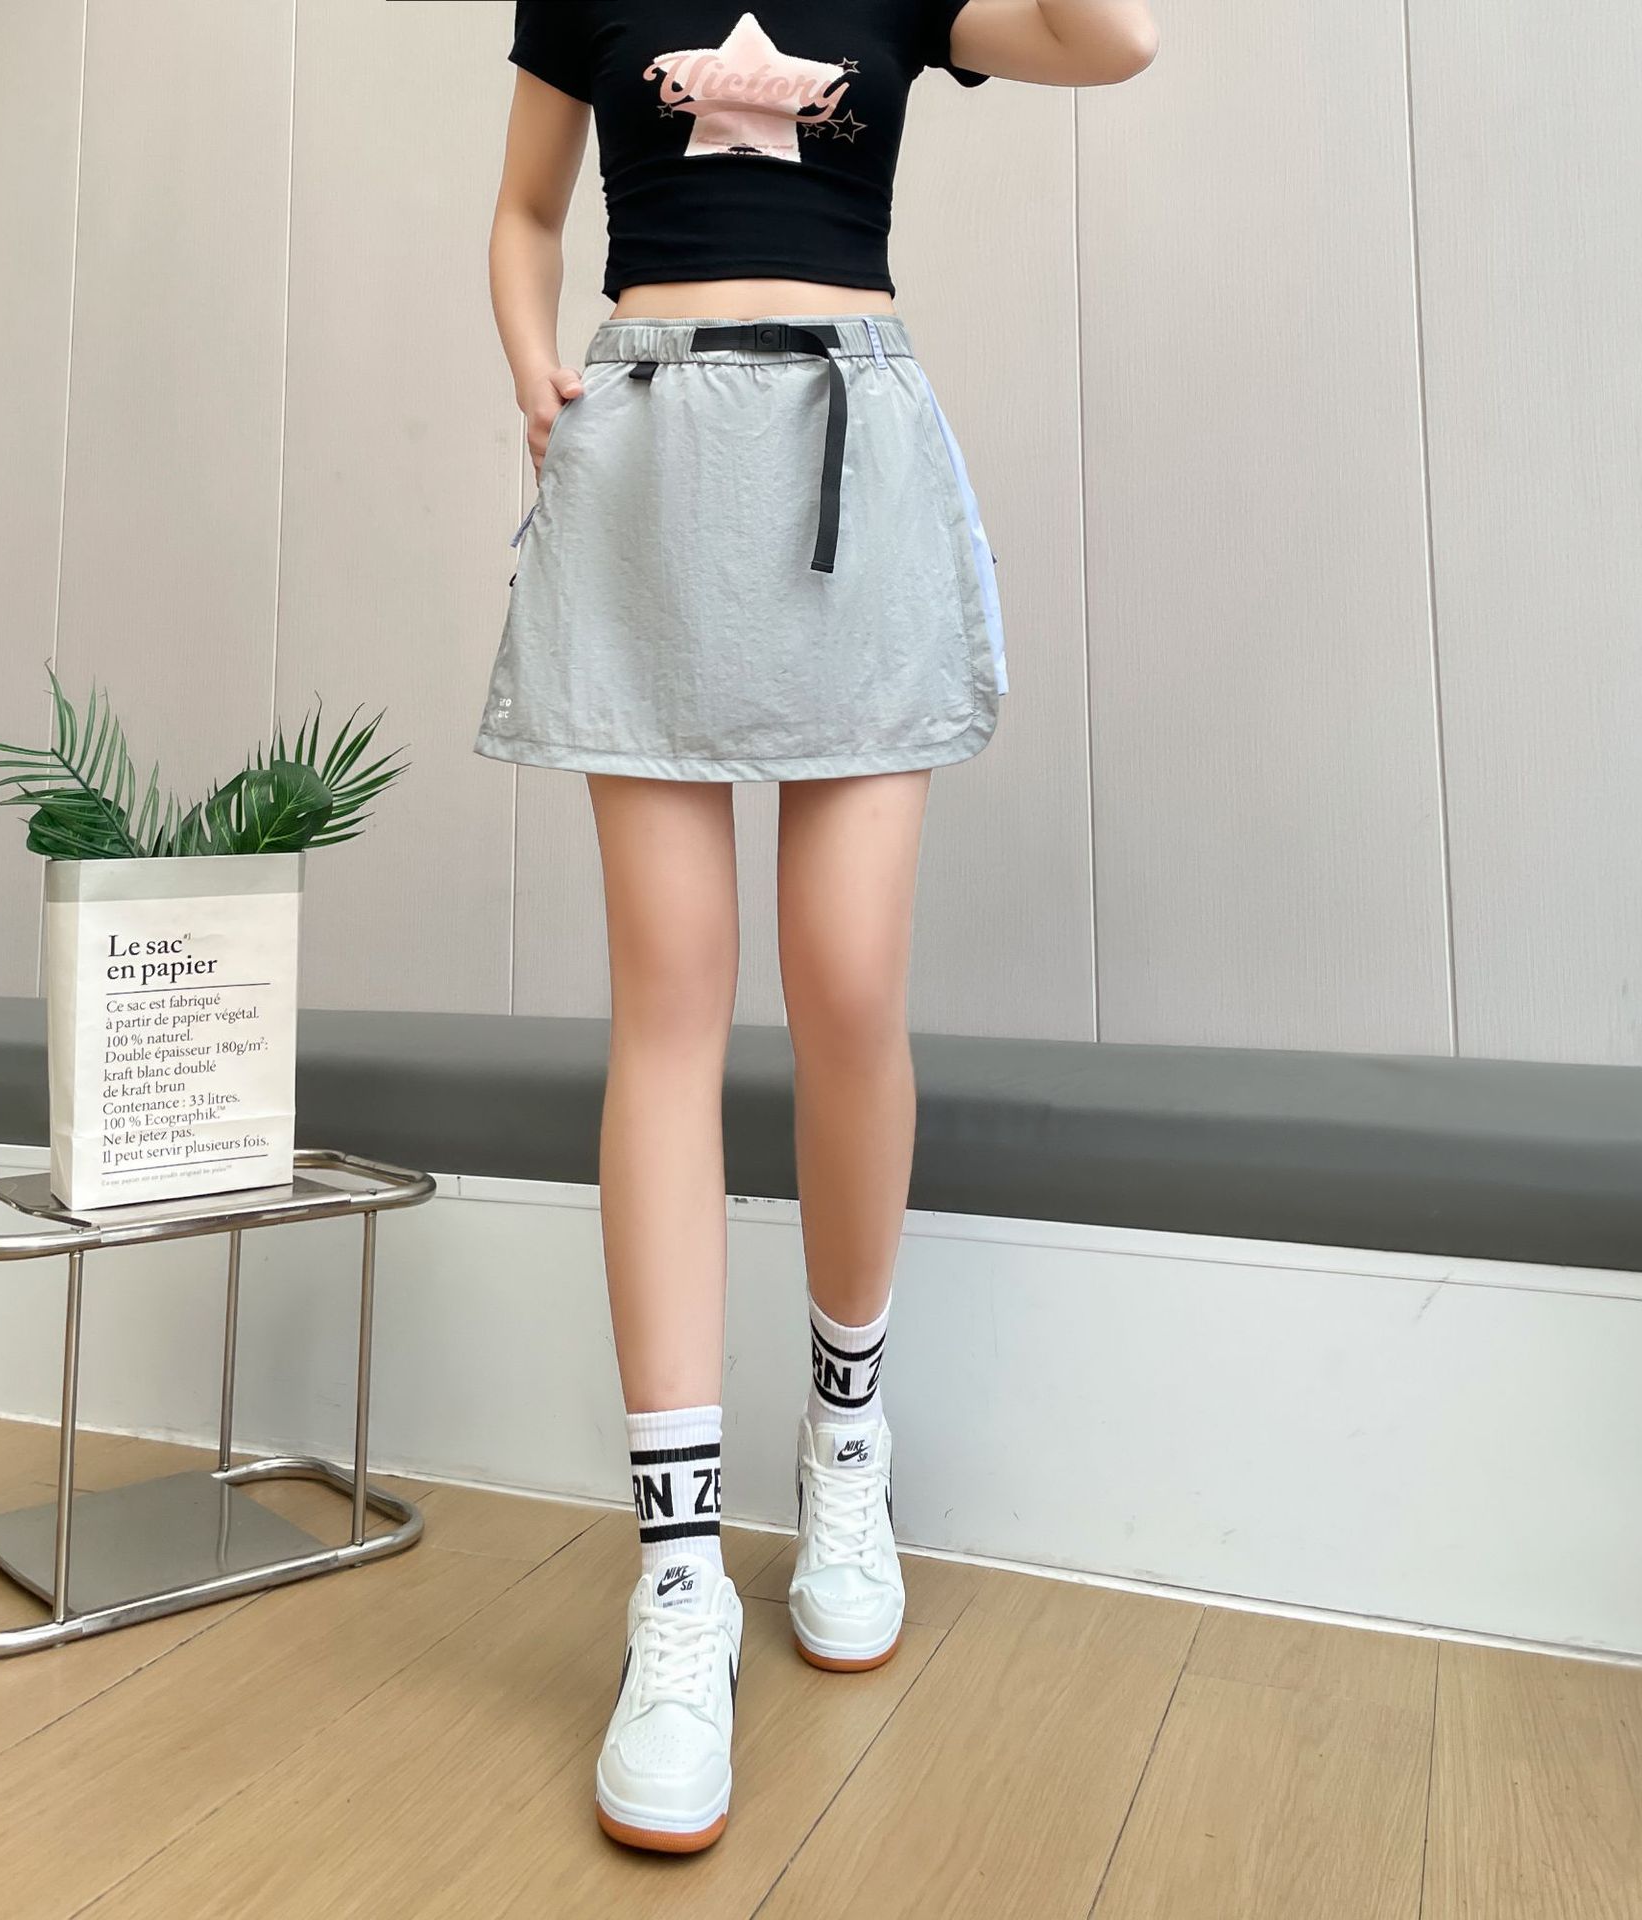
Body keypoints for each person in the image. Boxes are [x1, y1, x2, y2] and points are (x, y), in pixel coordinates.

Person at [478, 0, 1157, 1854]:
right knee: (668, 1004)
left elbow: (1112, 41)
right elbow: (527, 208)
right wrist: (534, 367)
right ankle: (678, 1580)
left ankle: (847, 1440)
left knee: (849, 985)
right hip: (644, 460)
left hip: (853, 441)